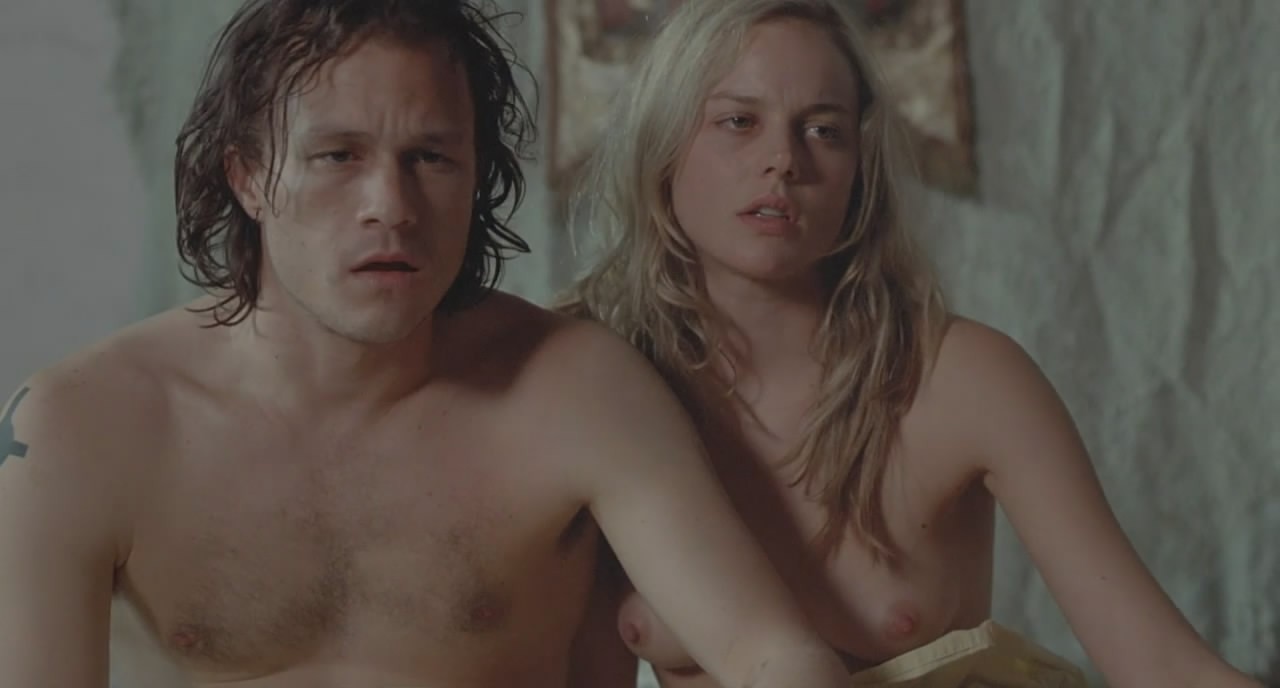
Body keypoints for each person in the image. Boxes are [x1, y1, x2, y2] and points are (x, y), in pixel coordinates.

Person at [0, 2, 858, 687]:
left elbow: (771, 654)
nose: (391, 206)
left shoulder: (574, 390)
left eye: (431, 159)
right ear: (249, 176)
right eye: (338, 156)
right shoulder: (81, 429)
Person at [558, 1, 1263, 687]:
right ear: (664, 143)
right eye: (739, 121)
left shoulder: (961, 379)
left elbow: (1168, 669)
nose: (783, 160)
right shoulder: (592, 388)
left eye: (824, 131)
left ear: (861, 170)